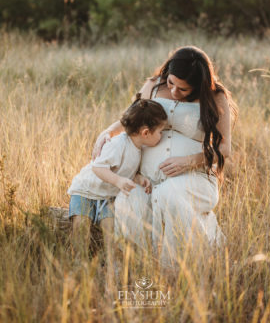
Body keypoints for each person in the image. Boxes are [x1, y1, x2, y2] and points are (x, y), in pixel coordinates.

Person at [93, 46, 237, 267]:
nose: (174, 92)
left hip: (195, 177)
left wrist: (189, 161)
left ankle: (176, 269)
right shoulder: (153, 85)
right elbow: (132, 118)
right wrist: (107, 132)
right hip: (147, 178)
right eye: (171, 83)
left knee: (171, 193)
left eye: (184, 89)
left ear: (198, 85)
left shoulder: (215, 97)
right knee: (130, 199)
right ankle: (141, 268)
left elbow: (225, 148)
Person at [67, 97, 167, 266]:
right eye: (160, 131)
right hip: (85, 192)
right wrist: (119, 181)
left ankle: (113, 268)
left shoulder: (138, 148)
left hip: (108, 197)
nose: (162, 136)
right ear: (145, 132)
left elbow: (126, 169)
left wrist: (139, 178)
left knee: (111, 232)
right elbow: (98, 167)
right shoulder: (118, 143)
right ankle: (79, 267)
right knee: (81, 230)